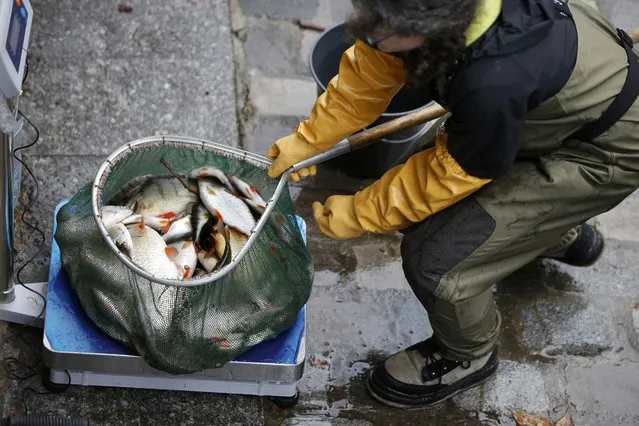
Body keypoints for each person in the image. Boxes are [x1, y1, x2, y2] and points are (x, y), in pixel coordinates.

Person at [266, 0, 639, 408]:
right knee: (441, 201)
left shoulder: (492, 79)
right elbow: (373, 67)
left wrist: (361, 212)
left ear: (432, 28)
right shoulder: (416, 16)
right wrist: (311, 138)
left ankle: (467, 354)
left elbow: (450, 175)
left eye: (382, 28)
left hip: (603, 151)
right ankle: (548, 233)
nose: (370, 32)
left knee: (436, 256)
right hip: (542, 117)